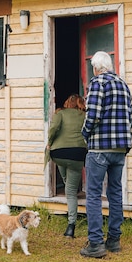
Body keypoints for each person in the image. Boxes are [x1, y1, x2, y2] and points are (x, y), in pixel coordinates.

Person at [79, 51, 132, 258]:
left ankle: (95, 243)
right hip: (120, 148)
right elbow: (131, 118)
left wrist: (85, 134)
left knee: (93, 194)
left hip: (99, 148)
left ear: (95, 67)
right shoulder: (123, 85)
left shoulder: (97, 83)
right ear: (109, 66)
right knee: (115, 193)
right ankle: (114, 240)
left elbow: (92, 115)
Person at [47, 93, 87, 238]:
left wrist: (49, 142)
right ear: (81, 103)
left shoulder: (60, 113)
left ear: (66, 102)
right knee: (70, 192)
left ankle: (70, 186)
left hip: (59, 153)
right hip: (77, 153)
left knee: (67, 182)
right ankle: (71, 226)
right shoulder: (84, 115)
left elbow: (53, 129)